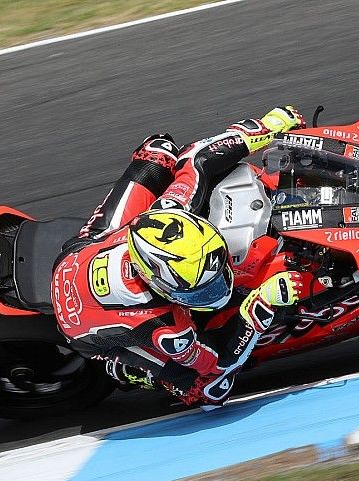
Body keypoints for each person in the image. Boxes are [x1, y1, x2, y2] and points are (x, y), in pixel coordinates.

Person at [51, 106, 307, 406]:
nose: (219, 289)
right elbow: (217, 364)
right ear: (159, 286)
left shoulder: (169, 211)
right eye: (204, 289)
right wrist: (260, 306)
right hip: (83, 329)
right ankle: (123, 369)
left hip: (80, 253)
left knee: (159, 151)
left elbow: (198, 157)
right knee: (208, 391)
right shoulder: (167, 328)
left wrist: (265, 129)